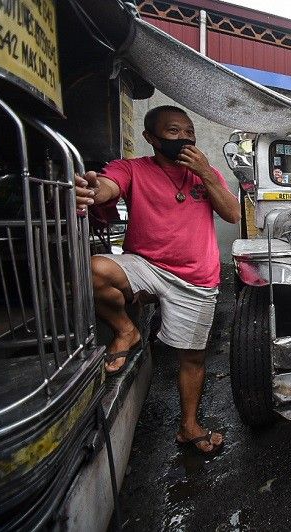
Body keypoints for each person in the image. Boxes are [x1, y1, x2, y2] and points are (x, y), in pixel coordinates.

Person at [75, 105, 240, 455]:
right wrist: (92, 189)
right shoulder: (133, 168)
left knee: (192, 358)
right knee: (92, 268)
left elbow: (232, 213)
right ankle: (125, 330)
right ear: (151, 137)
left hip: (196, 277)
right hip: (146, 265)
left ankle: (188, 425)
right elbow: (107, 186)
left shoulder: (205, 173)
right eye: (173, 131)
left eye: (189, 131)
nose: (184, 137)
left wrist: (206, 174)